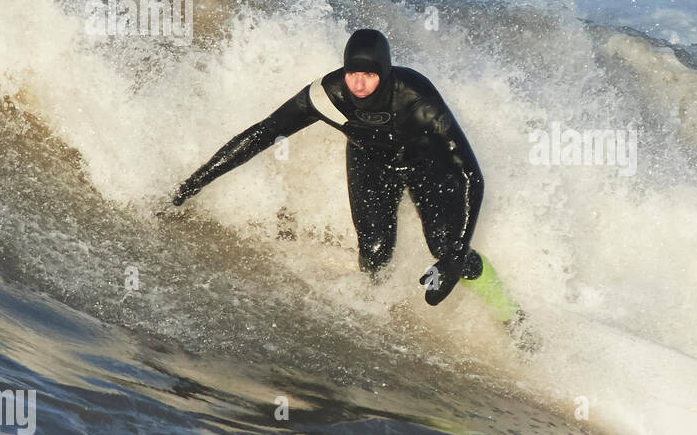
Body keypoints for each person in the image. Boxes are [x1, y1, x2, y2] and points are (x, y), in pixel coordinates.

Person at [170, 28, 485, 307]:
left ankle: (506, 310)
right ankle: (381, 311)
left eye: (370, 75)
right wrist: (197, 181)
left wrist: (458, 251)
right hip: (371, 162)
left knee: (445, 246)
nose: (359, 83)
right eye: (352, 73)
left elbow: (472, 175)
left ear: (385, 74)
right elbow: (263, 134)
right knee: (375, 255)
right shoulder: (326, 95)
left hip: (426, 163)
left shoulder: (418, 99)